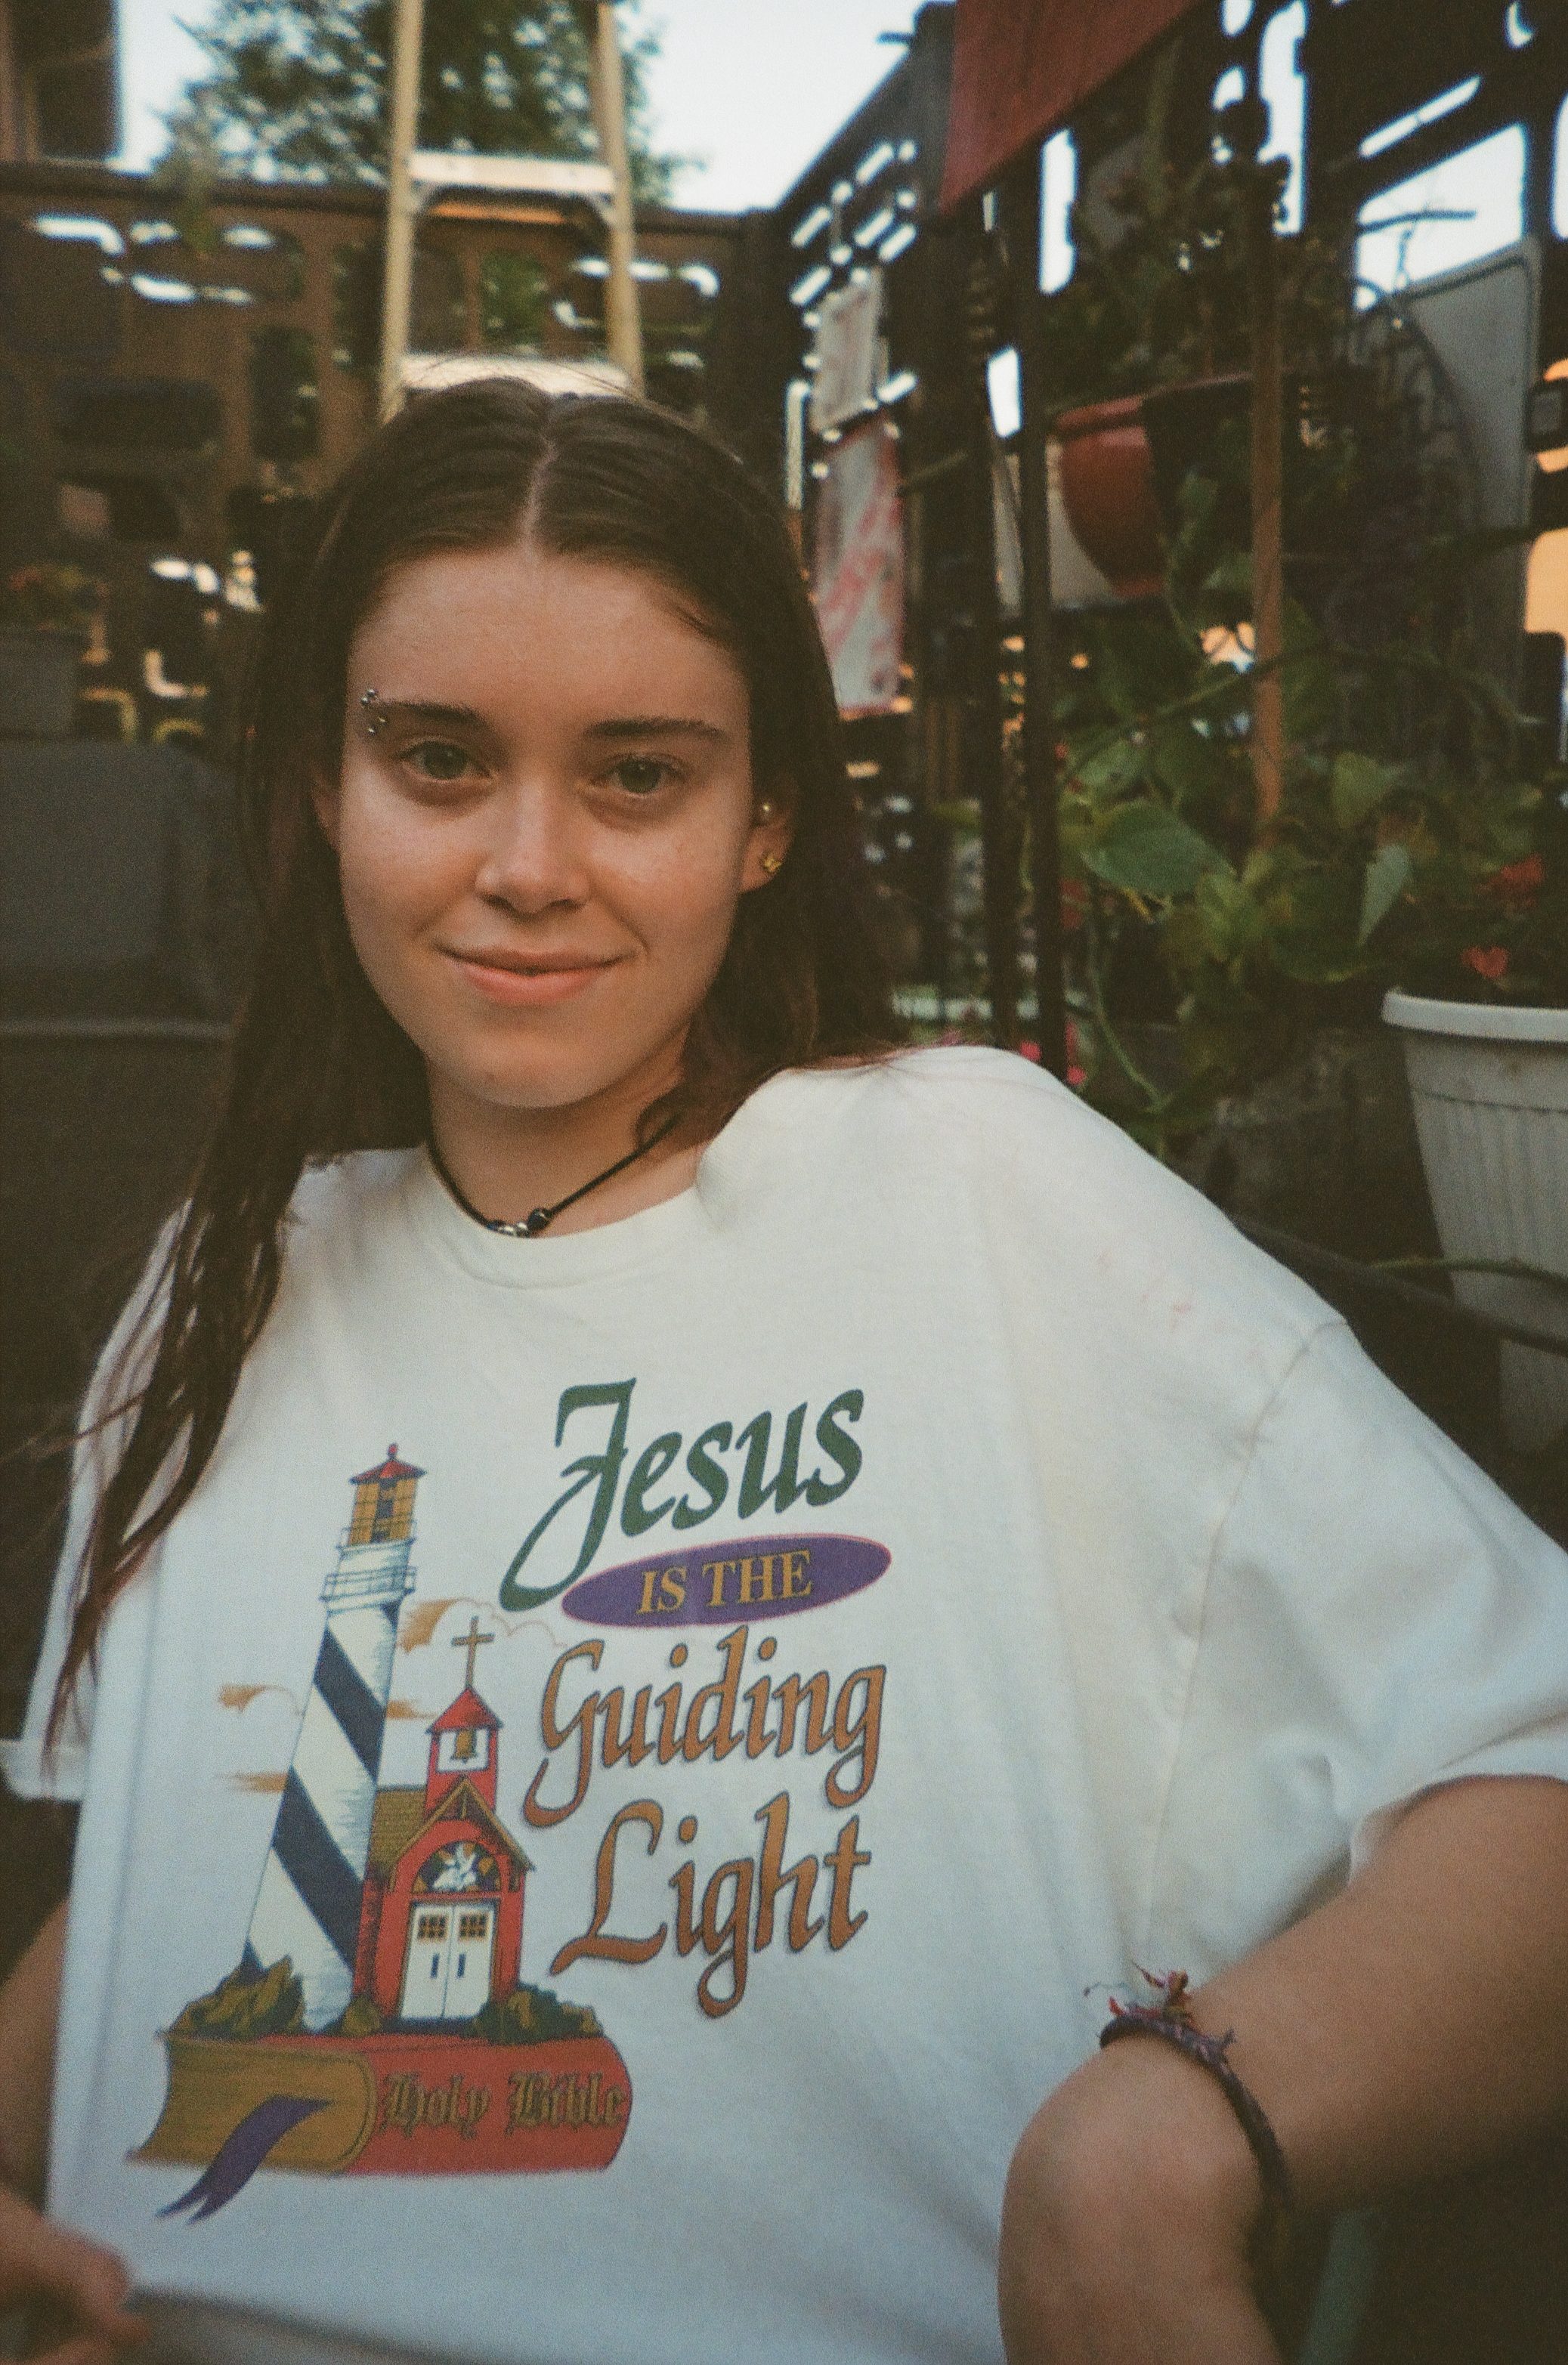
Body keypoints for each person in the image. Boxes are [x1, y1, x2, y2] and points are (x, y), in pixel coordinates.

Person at [2, 380, 1566, 2365]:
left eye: (637, 776)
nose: (529, 863)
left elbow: (1532, 1756)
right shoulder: (227, 1281)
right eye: (439, 759)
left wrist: (1168, 2135)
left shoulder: (972, 1192)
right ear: (327, 787)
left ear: (763, 823)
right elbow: (168, 1858)